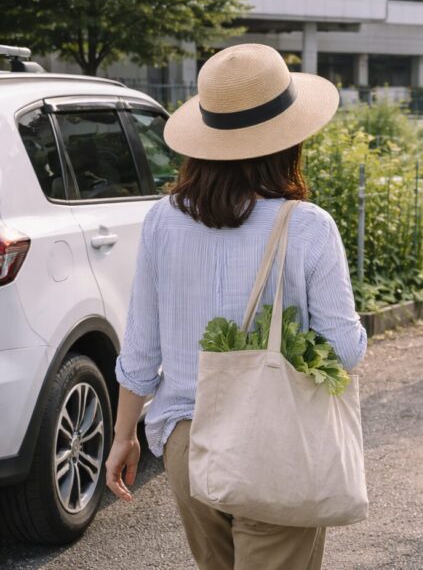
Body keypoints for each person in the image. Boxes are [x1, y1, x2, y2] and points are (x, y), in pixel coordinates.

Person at [104, 44, 367, 570]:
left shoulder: (162, 220)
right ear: (288, 138)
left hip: (185, 442)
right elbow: (343, 350)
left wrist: (123, 435)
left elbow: (140, 349)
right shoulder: (308, 225)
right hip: (279, 443)